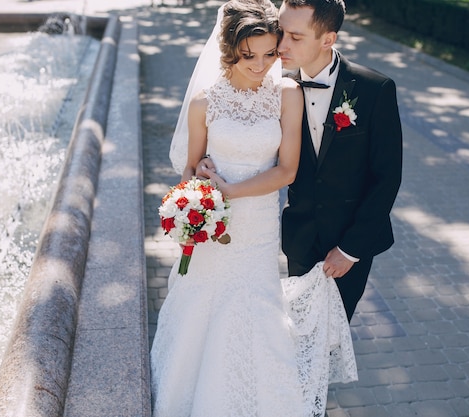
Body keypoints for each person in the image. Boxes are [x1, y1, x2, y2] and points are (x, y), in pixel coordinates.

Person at [151, 0, 356, 416]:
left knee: (257, 312)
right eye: (249, 56)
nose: (261, 65)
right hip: (214, 232)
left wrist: (230, 189)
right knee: (202, 308)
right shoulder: (204, 104)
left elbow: (286, 171)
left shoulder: (287, 95)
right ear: (229, 49)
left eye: (269, 53)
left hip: (257, 228)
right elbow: (190, 171)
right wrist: (199, 185)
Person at [277, 0, 403, 322]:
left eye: (295, 36)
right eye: (281, 31)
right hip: (300, 238)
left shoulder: (376, 90)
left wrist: (350, 250)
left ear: (328, 40)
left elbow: (386, 178)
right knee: (298, 334)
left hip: (350, 242)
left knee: (333, 336)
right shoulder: (275, 88)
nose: (281, 44)